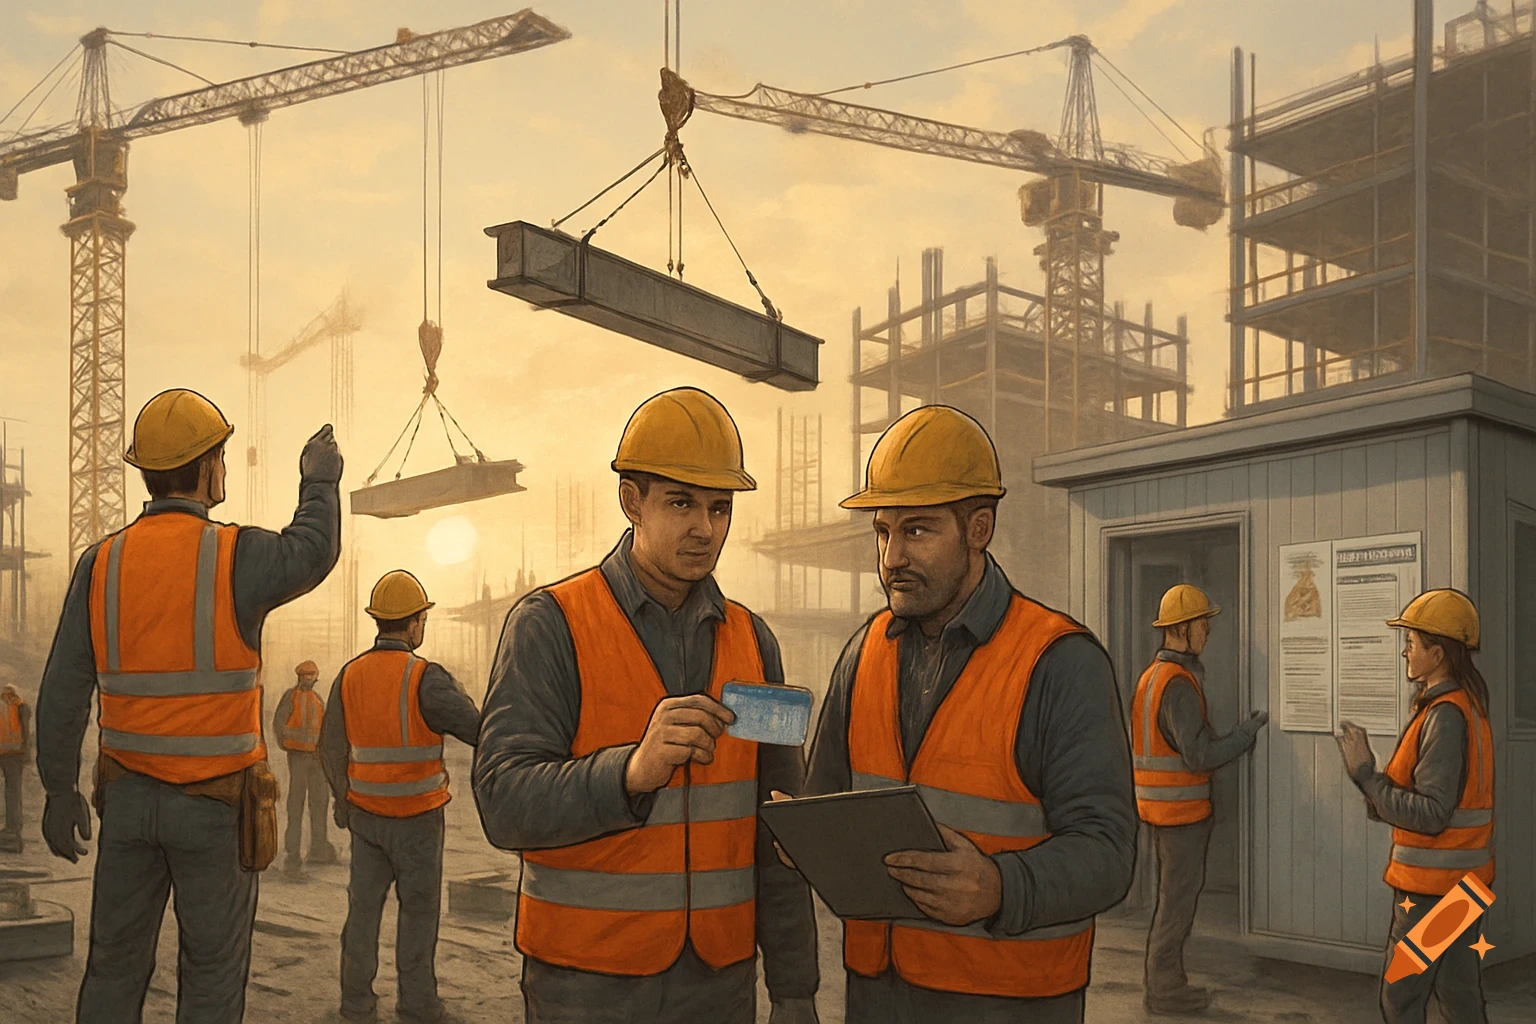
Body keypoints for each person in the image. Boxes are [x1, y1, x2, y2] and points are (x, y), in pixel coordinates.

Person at [473, 387, 820, 1024]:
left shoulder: (753, 642)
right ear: (632, 501)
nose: (705, 528)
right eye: (681, 502)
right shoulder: (551, 625)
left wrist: (794, 988)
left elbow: (780, 826)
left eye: (720, 507)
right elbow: (502, 803)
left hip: (719, 984)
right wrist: (630, 772)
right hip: (585, 984)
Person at [798, 404, 1137, 1024]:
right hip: (879, 994)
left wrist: (1001, 887)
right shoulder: (863, 652)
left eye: (917, 531)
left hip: (1008, 1002)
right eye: (883, 532)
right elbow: (822, 801)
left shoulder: (1059, 661)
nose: (892, 557)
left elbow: (1109, 855)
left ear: (979, 528)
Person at [35, 388, 342, 1023]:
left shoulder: (101, 563)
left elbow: (63, 689)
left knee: (113, 967)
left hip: (127, 804)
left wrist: (58, 791)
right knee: (211, 977)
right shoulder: (237, 555)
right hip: (215, 808)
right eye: (221, 457)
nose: (223, 467)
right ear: (204, 468)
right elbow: (313, 550)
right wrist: (318, 480)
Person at [320, 569, 481, 1024]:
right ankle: (417, 1004)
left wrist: (343, 800)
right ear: (413, 624)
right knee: (419, 914)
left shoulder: (349, 675)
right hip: (418, 822)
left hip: (366, 819)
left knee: (362, 913)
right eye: (421, 620)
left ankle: (355, 1003)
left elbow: (329, 747)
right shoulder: (425, 676)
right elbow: (476, 728)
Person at [1335, 588, 1493, 1024]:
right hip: (1463, 882)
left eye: (1411, 643)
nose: (1405, 651)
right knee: (1459, 996)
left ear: (1437, 654)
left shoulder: (1444, 716)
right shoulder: (1463, 707)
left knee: (1401, 997)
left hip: (1433, 889)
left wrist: (1366, 774)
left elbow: (1431, 814)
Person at [1131, 584, 1268, 1015]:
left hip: (1160, 811)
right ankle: (1165, 990)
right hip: (1180, 815)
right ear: (1181, 629)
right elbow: (1200, 756)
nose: (1208, 631)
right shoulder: (1177, 684)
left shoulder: (1153, 676)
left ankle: (1164, 985)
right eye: (1202, 624)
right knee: (1176, 904)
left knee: (1171, 900)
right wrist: (1245, 735)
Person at [273, 659, 335, 874]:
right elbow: (279, 723)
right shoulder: (290, 697)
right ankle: (292, 853)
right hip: (298, 757)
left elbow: (324, 728)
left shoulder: (317, 700)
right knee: (296, 804)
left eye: (311, 676)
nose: (309, 679)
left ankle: (318, 848)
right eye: (305, 676)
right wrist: (287, 745)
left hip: (316, 759)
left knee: (319, 802)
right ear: (299, 677)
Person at [0, 682, 31, 852]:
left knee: (13, 792)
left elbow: (25, 731)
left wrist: (26, 752)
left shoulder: (21, 708)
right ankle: (12, 829)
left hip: (13, 754)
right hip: (9, 754)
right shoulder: (17, 707)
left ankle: (13, 829)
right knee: (12, 792)